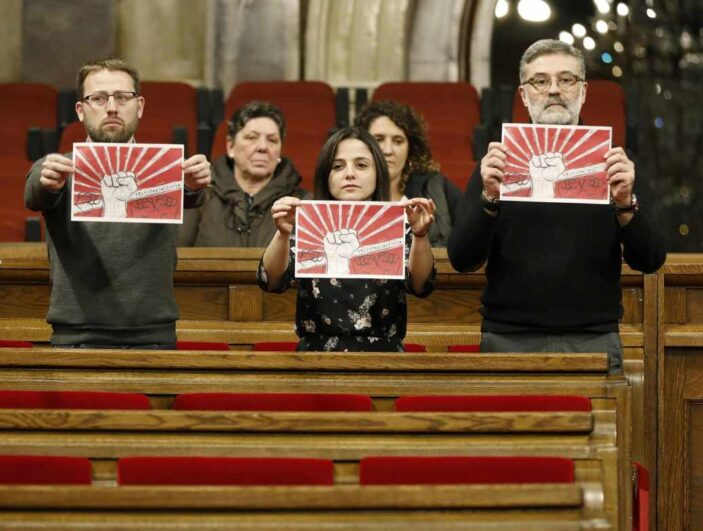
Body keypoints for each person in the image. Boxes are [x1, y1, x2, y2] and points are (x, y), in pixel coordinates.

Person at [447, 39, 666, 371]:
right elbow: (461, 259)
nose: (553, 90)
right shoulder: (498, 164)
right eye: (540, 81)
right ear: (523, 95)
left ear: (583, 91)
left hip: (593, 338)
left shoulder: (612, 165)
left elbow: (650, 260)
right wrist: (490, 196)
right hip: (509, 338)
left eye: (566, 80)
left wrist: (624, 203)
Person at [24, 57, 211, 348]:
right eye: (98, 98)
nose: (111, 107)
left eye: (123, 97)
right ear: (81, 110)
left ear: (139, 106)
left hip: (154, 335)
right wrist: (47, 182)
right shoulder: (58, 168)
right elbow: (35, 193)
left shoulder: (166, 170)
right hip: (77, 336)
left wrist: (193, 183)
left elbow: (192, 194)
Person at [257, 126, 437, 352]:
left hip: (385, 358)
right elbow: (271, 281)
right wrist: (283, 233)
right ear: (326, 175)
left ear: (378, 173)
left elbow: (422, 286)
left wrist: (420, 235)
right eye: (338, 166)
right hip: (316, 357)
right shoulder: (307, 223)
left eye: (361, 165)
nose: (349, 174)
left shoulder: (398, 225)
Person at [179, 101, 307, 247]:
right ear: (230, 146)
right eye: (252, 137)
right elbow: (177, 254)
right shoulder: (198, 196)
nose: (263, 147)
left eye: (272, 140)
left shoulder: (299, 203)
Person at [355, 100, 463, 248]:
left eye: (398, 141)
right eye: (378, 139)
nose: (388, 150)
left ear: (410, 149)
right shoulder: (346, 190)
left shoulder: (436, 187)